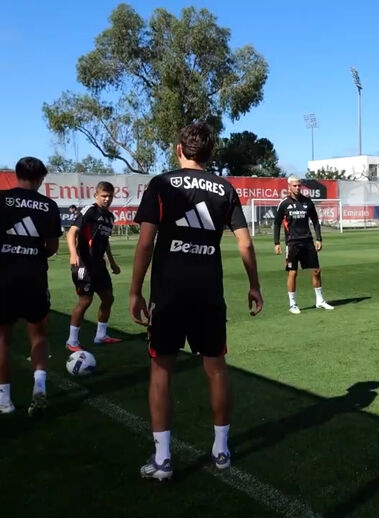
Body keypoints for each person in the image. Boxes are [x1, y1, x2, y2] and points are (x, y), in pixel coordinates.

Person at [129, 122, 263, 481]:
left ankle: (162, 460)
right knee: (216, 369)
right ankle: (221, 451)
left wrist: (134, 290)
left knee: (161, 372)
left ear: (178, 150)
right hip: (208, 294)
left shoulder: (161, 183)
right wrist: (254, 286)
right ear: (210, 153)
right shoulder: (225, 188)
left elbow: (145, 243)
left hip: (169, 294)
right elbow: (245, 244)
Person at [0, 157, 62, 416]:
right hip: (34, 278)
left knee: (2, 338)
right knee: (38, 335)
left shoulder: (1, 199)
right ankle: (39, 389)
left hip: (3, 278)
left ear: (17, 175)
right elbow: (52, 248)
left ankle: (4, 400)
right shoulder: (48, 206)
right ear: (39, 178)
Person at [65, 182, 121, 351]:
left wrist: (111, 262)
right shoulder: (90, 210)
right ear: (96, 195)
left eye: (110, 196)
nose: (107, 199)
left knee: (108, 298)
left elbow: (105, 243)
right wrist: (73, 253)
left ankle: (101, 336)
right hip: (84, 262)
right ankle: (72, 341)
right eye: (104, 195)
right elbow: (72, 232)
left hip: (99, 264)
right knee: (85, 300)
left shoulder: (110, 217)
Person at [273, 176, 332, 313]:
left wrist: (319, 238)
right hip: (292, 243)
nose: (297, 188)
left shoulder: (307, 202)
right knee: (293, 273)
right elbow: (277, 224)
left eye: (299, 185)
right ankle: (292, 304)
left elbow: (315, 220)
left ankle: (320, 300)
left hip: (307, 241)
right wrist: (277, 243)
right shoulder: (284, 204)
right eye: (294, 186)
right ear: (289, 187)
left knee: (316, 271)